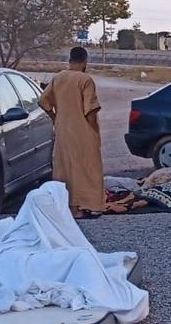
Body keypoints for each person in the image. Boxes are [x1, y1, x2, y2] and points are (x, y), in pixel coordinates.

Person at [39, 47, 105, 219]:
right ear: (85, 61)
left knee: (64, 167)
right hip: (83, 130)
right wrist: (94, 130)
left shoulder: (58, 78)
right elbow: (90, 111)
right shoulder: (85, 80)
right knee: (87, 168)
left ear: (70, 60)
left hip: (62, 130)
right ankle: (87, 205)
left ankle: (66, 206)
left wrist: (54, 117)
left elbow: (43, 101)